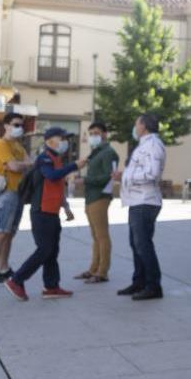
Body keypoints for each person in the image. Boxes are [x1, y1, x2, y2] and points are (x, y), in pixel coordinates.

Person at [4, 127, 86, 301]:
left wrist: (66, 207)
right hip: (41, 212)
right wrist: (74, 166)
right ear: (49, 141)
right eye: (61, 138)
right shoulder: (44, 159)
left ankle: (51, 286)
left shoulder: (56, 159)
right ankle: (16, 280)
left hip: (52, 212)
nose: (65, 141)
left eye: (66, 138)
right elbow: (52, 176)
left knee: (52, 250)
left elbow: (57, 186)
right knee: (44, 249)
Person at [114, 113, 166, 301]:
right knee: (136, 244)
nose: (134, 127)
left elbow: (151, 173)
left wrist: (125, 177)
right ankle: (139, 281)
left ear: (143, 125)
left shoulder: (153, 146)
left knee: (143, 245)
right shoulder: (144, 145)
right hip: (137, 201)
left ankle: (153, 286)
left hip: (145, 201)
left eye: (136, 123)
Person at [0, 113, 31, 286]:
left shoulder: (18, 145)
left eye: (21, 125)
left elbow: (28, 162)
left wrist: (19, 165)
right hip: (6, 193)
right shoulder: (1, 144)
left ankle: (4, 268)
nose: (19, 127)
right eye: (15, 124)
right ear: (6, 126)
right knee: (1, 232)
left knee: (10, 234)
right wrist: (19, 165)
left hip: (18, 193)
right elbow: (14, 166)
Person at [75, 121, 118, 284]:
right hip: (91, 197)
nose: (93, 136)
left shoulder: (108, 153)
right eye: (91, 133)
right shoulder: (96, 152)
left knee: (102, 235)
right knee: (96, 236)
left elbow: (109, 176)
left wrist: (85, 180)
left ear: (105, 134)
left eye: (96, 133)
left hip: (100, 197)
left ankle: (102, 272)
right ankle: (93, 269)